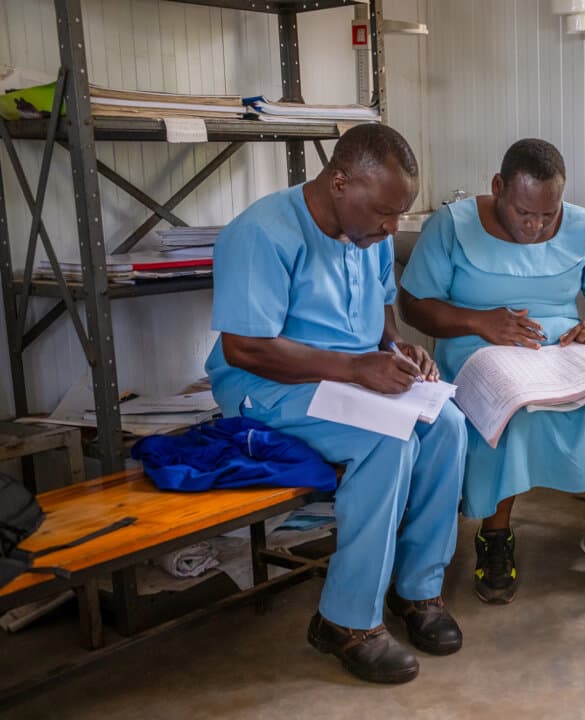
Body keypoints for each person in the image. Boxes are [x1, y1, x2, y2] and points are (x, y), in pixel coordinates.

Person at [205, 124, 468, 684]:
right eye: (384, 213)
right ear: (340, 181)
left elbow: (381, 311)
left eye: (401, 214)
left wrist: (398, 349)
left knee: (447, 423)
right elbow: (245, 347)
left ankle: (417, 590)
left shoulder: (366, 233)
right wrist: (354, 368)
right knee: (384, 440)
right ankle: (345, 621)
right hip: (267, 388)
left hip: (349, 381)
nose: (392, 228)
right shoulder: (261, 233)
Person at [399, 138, 585, 605]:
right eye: (525, 213)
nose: (536, 226)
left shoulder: (583, 226)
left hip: (561, 344)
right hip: (477, 343)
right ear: (498, 187)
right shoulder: (453, 224)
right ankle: (495, 536)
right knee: (513, 406)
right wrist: (479, 321)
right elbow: (414, 304)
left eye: (548, 215)